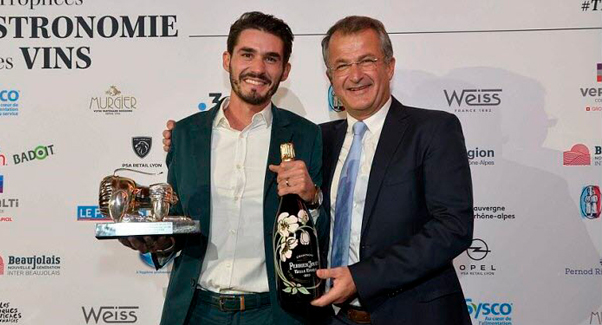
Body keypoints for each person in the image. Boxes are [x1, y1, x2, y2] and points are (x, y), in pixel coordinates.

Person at [164, 14, 473, 325]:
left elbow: (452, 229)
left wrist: (361, 277)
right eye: (342, 65)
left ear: (389, 67)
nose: (355, 75)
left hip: (412, 314)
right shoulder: (318, 138)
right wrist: (186, 140)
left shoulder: (433, 130)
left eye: (366, 61)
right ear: (330, 76)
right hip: (328, 317)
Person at [119, 11, 326, 325]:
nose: (257, 69)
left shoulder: (307, 136)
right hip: (196, 310)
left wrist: (312, 198)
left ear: (285, 71)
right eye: (247, 55)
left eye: (271, 59)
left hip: (274, 312)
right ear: (227, 60)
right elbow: (177, 221)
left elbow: (321, 231)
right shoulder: (185, 135)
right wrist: (154, 241)